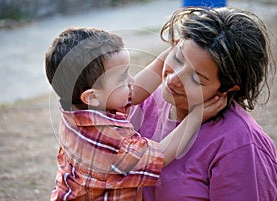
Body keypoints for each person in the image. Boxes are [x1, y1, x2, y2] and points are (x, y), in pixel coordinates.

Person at [45, 27, 226, 201]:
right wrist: (195, 117)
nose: (131, 80)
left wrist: (172, 54)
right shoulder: (105, 138)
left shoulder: (83, 107)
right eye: (123, 77)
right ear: (91, 96)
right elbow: (159, 157)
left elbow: (136, 92)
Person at [129, 7, 277, 201]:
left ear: (228, 88)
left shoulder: (241, 146)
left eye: (196, 79)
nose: (173, 79)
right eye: (178, 58)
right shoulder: (147, 101)